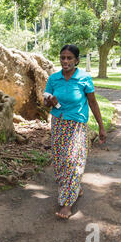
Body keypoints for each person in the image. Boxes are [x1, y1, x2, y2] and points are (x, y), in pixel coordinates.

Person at [44, 44, 106, 219]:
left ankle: (66, 204)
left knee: (73, 161)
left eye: (69, 58)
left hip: (76, 126)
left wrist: (101, 127)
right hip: (58, 124)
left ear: (76, 60)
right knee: (60, 162)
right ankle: (74, 188)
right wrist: (50, 101)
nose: (65, 61)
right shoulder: (53, 79)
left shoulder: (84, 78)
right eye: (63, 57)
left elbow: (93, 103)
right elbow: (44, 102)